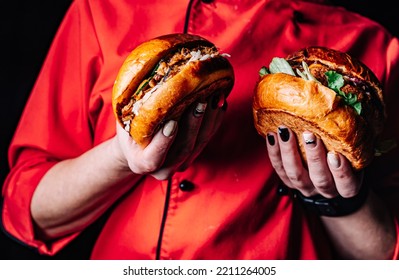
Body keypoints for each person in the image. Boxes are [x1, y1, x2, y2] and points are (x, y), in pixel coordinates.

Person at [2, 0, 399, 260]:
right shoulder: (101, 11)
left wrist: (335, 200)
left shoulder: (370, 44)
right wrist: (122, 158)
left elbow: (384, 260)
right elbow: (29, 212)